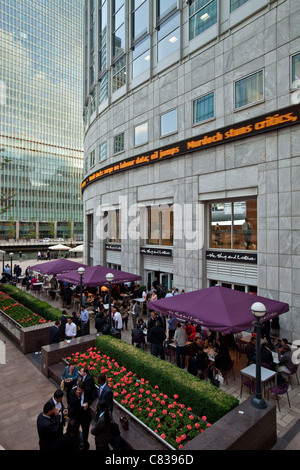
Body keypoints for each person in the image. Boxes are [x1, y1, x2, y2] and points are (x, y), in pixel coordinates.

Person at [67, 380, 93, 451]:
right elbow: (71, 403)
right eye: (79, 389)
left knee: (85, 431)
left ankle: (84, 444)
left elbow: (91, 398)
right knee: (75, 431)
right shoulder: (72, 392)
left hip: (85, 416)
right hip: (76, 416)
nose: (80, 391)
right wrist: (77, 397)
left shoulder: (88, 390)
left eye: (82, 390)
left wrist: (88, 403)